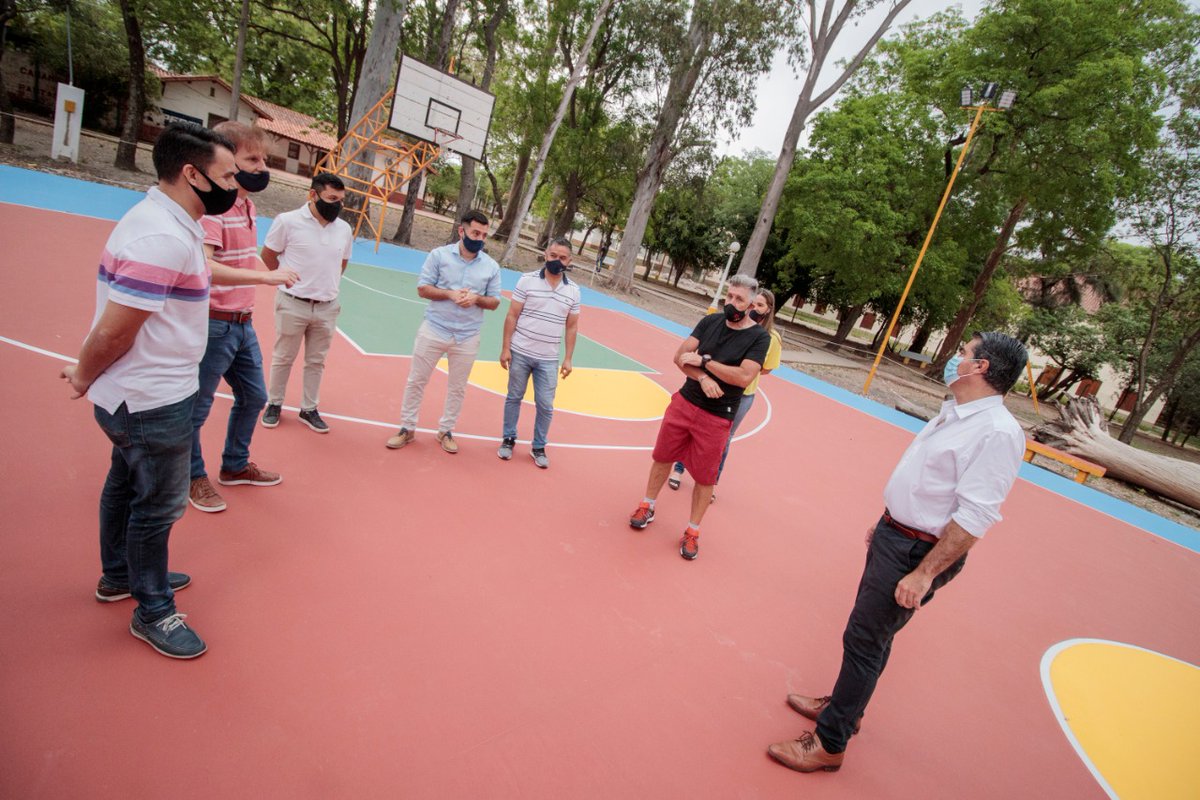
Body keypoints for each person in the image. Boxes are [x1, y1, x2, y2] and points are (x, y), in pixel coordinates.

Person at [766, 332, 1028, 774]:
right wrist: (889, 520)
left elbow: (975, 517)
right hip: (897, 534)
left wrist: (924, 573)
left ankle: (830, 743)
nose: (955, 357)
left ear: (981, 367)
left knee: (864, 639)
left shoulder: (997, 432)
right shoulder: (957, 411)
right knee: (873, 637)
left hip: (916, 551)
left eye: (964, 352)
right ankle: (846, 709)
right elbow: (928, 486)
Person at [60, 122, 249, 658]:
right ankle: (154, 608)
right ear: (192, 173)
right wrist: (82, 373)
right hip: (150, 398)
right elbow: (117, 328)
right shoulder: (162, 237)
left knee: (124, 484)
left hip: (143, 395)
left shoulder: (171, 223)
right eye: (227, 174)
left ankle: (119, 575)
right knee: (159, 506)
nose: (235, 184)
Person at [188, 121, 299, 513]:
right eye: (252, 158)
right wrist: (264, 276)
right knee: (196, 409)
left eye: (263, 158)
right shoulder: (212, 210)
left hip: (241, 322)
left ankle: (234, 466)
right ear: (225, 158)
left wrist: (273, 269)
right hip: (214, 322)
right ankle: (192, 476)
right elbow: (206, 266)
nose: (261, 166)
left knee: (254, 396)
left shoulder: (246, 204)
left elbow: (241, 257)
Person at [627, 274, 770, 561]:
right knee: (663, 456)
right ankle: (647, 504)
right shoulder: (710, 322)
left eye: (738, 299)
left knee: (705, 478)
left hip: (718, 416)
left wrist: (704, 361)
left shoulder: (759, 337)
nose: (731, 302)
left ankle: (692, 531)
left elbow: (743, 376)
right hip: (685, 403)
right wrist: (703, 378)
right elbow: (680, 356)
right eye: (729, 296)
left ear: (752, 303)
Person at [386, 209, 502, 454]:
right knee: (416, 380)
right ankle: (407, 428)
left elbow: (494, 302)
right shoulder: (438, 255)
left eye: (483, 234)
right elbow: (423, 288)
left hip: (468, 336)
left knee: (458, 388)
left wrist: (476, 298)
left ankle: (446, 431)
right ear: (462, 231)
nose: (479, 238)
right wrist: (450, 294)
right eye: (475, 232)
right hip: (434, 329)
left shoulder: (491, 266)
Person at [259, 173, 354, 433]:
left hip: (326, 306)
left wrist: (325, 286)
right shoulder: (288, 221)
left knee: (316, 361)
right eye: (331, 198)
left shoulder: (344, 229)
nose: (336, 205)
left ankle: (309, 408)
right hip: (293, 302)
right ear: (313, 195)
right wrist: (286, 281)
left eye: (341, 200)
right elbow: (268, 255)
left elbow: (341, 263)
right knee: (283, 357)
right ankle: (275, 403)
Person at [668, 288, 782, 498]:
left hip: (742, 395)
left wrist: (745, 371)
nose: (755, 308)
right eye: (754, 303)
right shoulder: (728, 325)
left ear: (768, 310)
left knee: (723, 439)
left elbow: (767, 368)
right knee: (691, 428)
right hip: (711, 384)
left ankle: (711, 482)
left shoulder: (770, 338)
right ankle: (678, 469)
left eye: (760, 305)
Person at [497, 237, 581, 468]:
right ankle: (508, 439)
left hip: (548, 358)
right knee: (514, 396)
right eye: (553, 256)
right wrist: (506, 348)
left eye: (562, 258)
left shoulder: (573, 291)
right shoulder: (527, 280)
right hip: (520, 351)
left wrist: (568, 358)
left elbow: (572, 326)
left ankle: (538, 446)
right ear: (545, 254)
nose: (557, 260)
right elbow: (512, 315)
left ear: (569, 261)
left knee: (545, 404)